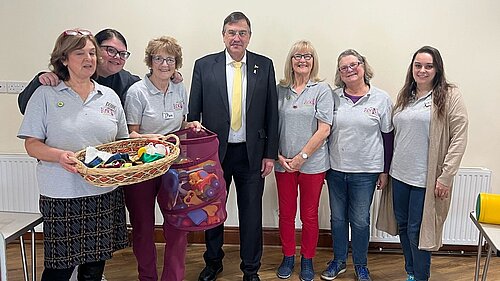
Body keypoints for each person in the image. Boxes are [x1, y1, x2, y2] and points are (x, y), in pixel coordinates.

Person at [17, 29, 129, 281]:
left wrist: (150, 143)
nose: (88, 58)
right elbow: (32, 144)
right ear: (64, 59)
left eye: (92, 53)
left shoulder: (109, 96)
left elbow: (122, 143)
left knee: (94, 266)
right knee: (60, 267)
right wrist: (59, 156)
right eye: (80, 53)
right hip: (62, 194)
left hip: (103, 192)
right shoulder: (45, 94)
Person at [187, 11, 279, 281]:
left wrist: (269, 154)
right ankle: (213, 262)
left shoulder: (264, 65)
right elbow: (194, 115)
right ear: (223, 35)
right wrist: (196, 157)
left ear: (249, 36)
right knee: (213, 212)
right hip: (215, 155)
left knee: (252, 216)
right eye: (231, 32)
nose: (236, 38)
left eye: (242, 33)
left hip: (252, 155)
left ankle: (250, 269)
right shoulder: (204, 65)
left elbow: (272, 113)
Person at [378, 46, 468, 281]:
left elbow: (459, 137)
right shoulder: (406, 96)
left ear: (437, 69)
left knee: (419, 232)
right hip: (399, 175)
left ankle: (421, 276)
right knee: (405, 227)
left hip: (425, 180)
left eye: (428, 66)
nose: (422, 70)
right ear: (412, 68)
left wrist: (446, 176)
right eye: (418, 65)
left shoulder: (449, 95)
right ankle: (411, 272)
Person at [123, 36, 201, 281]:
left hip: (174, 167)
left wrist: (192, 125)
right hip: (143, 168)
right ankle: (147, 277)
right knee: (143, 228)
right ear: (150, 61)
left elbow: (180, 123)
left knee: (178, 227)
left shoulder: (179, 87)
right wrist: (150, 139)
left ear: (176, 63)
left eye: (170, 59)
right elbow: (129, 133)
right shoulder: (137, 92)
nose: (164, 64)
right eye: (159, 58)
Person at [321, 49, 393, 281]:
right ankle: (339, 261)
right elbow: (323, 131)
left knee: (360, 220)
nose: (350, 70)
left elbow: (388, 137)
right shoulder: (332, 97)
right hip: (336, 170)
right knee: (337, 219)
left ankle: (361, 265)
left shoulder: (381, 99)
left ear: (363, 66)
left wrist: (385, 171)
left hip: (366, 172)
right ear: (339, 73)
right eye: (344, 67)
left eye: (354, 64)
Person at [274, 40, 333, 281]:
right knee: (286, 214)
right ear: (291, 61)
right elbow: (270, 124)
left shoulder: (322, 89)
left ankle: (307, 259)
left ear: (313, 61)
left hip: (313, 164)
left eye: (308, 56)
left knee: (309, 215)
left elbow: (324, 129)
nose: (302, 60)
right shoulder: (279, 90)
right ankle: (288, 256)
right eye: (298, 56)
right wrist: (277, 154)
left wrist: (302, 157)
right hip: (283, 163)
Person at [17, 28, 182, 114]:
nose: (117, 57)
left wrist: (167, 74)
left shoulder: (127, 81)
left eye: (122, 54)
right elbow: (25, 107)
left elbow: (148, 84)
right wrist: (40, 80)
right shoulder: (59, 79)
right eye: (110, 50)